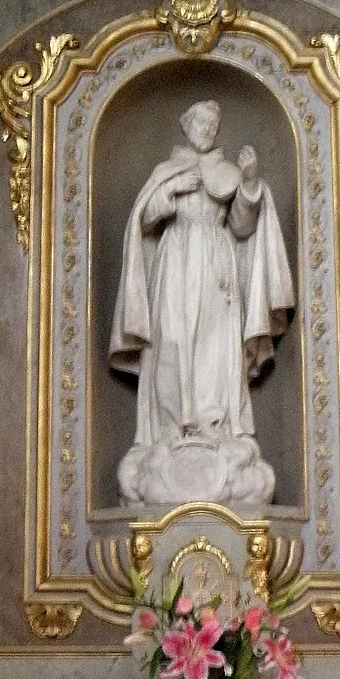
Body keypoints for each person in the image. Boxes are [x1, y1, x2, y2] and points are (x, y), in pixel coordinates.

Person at [109, 98, 294, 508]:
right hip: (174, 264)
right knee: (171, 341)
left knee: (214, 349)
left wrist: (247, 184)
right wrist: (168, 194)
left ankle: (214, 426)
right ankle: (173, 429)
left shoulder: (224, 172)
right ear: (187, 125)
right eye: (201, 123)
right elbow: (143, 222)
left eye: (214, 124)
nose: (207, 130)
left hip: (216, 265)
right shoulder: (165, 171)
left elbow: (244, 227)